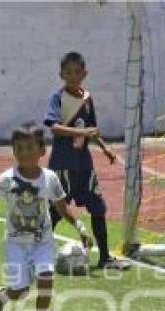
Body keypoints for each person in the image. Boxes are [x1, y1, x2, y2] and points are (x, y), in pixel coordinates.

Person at [0, 122, 92, 311]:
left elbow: (62, 208)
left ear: (42, 150)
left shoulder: (50, 178)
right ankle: (2, 297)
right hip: (16, 244)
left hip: (42, 242)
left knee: (46, 280)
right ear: (13, 151)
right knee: (20, 291)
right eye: (19, 149)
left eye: (29, 148)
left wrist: (81, 228)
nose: (24, 153)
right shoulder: (7, 178)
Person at [44, 51, 127, 270]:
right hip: (62, 164)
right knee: (56, 210)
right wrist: (82, 132)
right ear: (61, 74)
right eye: (68, 72)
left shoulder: (87, 99)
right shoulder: (58, 98)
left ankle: (105, 257)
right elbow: (54, 127)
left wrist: (105, 148)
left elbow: (92, 130)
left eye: (77, 72)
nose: (73, 76)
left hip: (84, 166)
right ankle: (37, 256)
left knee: (98, 208)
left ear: (85, 73)